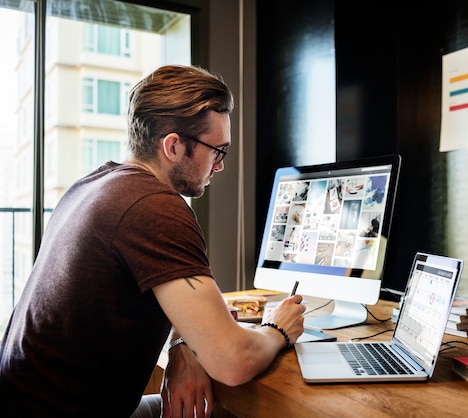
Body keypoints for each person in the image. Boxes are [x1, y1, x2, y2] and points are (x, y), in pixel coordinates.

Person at [0, 65, 306, 417]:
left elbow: (172, 298)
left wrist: (183, 343)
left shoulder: (96, 184)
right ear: (173, 145)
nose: (219, 166)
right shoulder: (155, 206)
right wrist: (277, 328)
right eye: (217, 151)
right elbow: (232, 361)